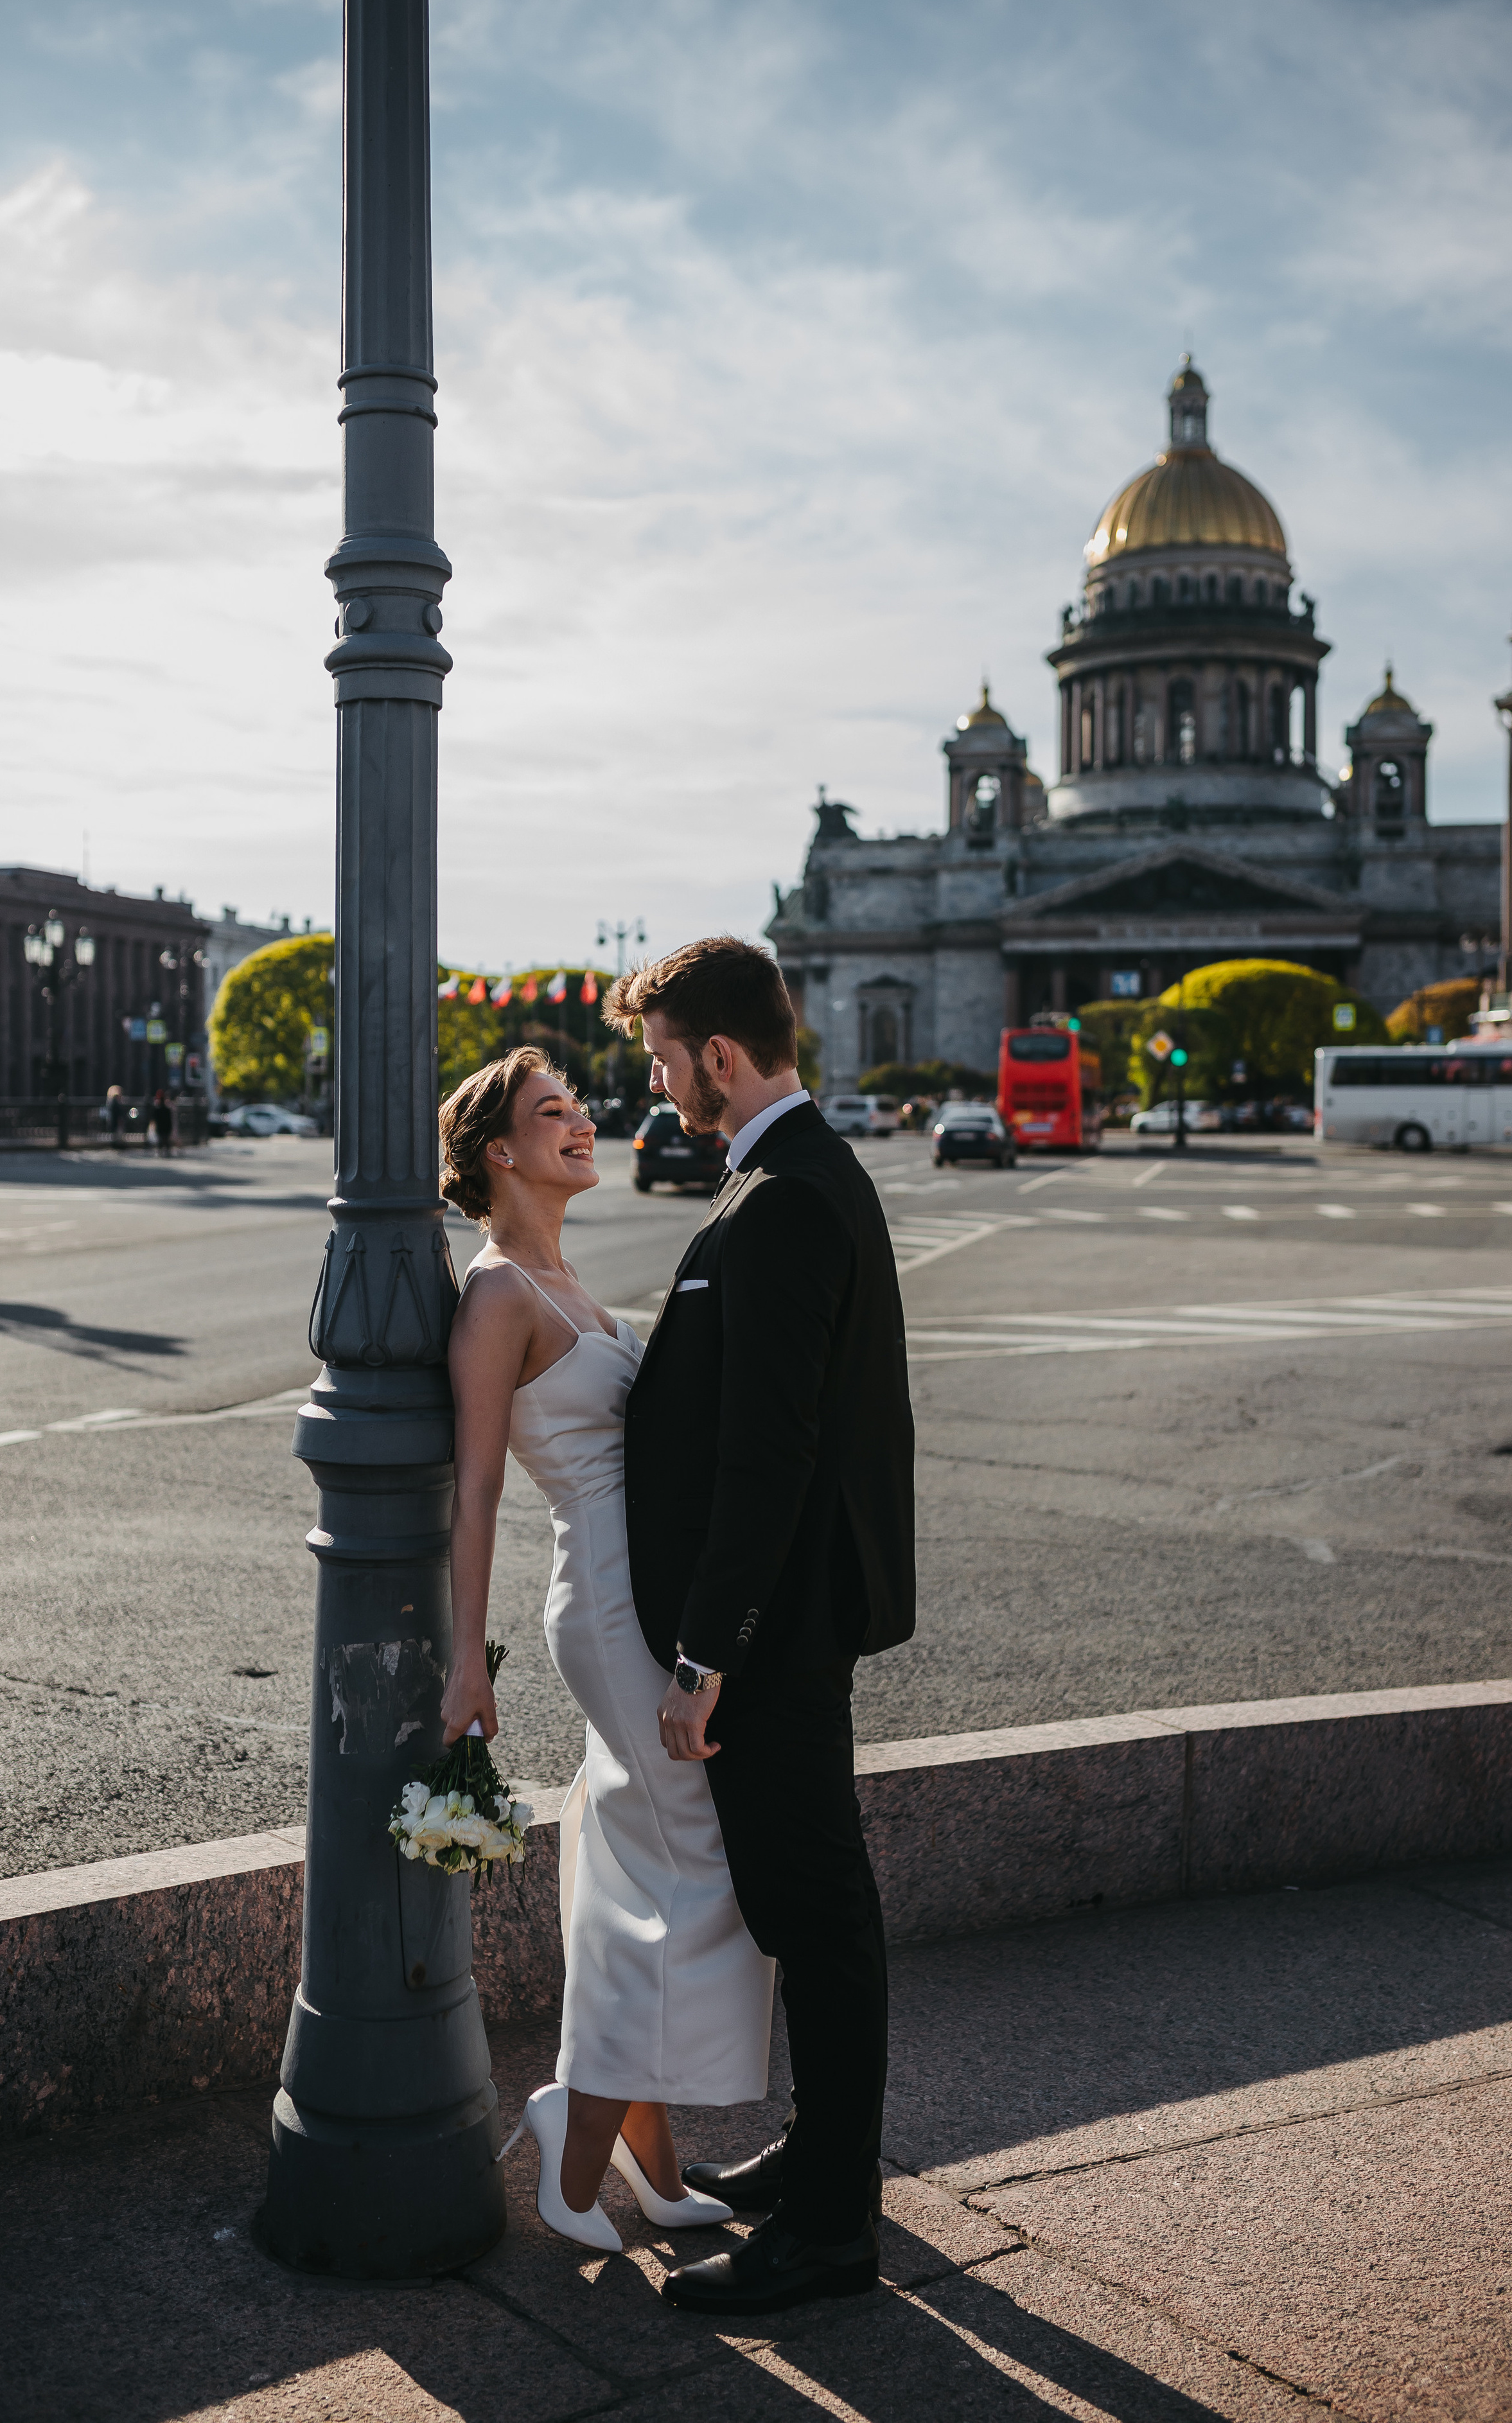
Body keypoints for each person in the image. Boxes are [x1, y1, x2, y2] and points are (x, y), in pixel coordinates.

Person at [605, 937, 916, 2318]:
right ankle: (822, 2162)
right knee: (812, 1906)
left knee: (817, 1912)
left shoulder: (784, 1197)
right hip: (792, 1615)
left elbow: (770, 1453)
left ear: (720, 1055)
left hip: (775, 1629)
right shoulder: (797, 1174)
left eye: (665, 1059)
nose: (659, 1085)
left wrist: (703, 1650)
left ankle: (832, 2232)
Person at [437, 1047, 775, 2254]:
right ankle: (573, 2148)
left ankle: (653, 2161)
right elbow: (475, 1490)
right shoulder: (497, 1297)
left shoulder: (564, 1277)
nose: (583, 1123)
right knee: (691, 1870)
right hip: (607, 1599)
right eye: (552, 1113)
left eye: (579, 1106)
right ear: (499, 1155)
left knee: (643, 1873)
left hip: (647, 1594)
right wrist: (465, 1660)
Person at [150, 1086, 175, 1156]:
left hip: (160, 1126)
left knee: (161, 1139)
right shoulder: (167, 1109)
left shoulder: (157, 1109)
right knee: (166, 1139)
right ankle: (167, 1151)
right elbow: (169, 1119)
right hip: (166, 1126)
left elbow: (154, 1118)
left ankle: (161, 1151)